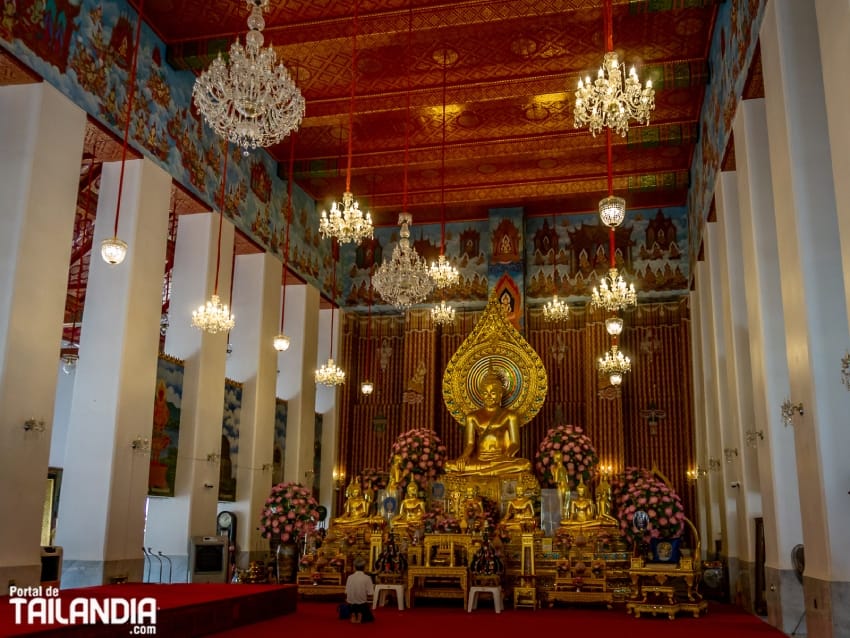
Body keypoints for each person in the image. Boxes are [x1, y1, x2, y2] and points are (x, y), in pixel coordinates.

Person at [444, 365, 531, 477]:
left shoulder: (510, 416)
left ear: (500, 394)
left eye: (493, 393)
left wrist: (506, 457)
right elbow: (470, 444)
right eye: (485, 393)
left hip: (501, 461)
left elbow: (515, 443)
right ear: (481, 395)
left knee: (525, 464)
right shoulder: (472, 417)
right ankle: (486, 471)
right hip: (479, 460)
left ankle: (481, 473)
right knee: (448, 466)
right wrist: (464, 457)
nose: (489, 396)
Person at [344, 557, 374, 624]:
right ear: (364, 567)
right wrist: (371, 605)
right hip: (362, 604)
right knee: (370, 618)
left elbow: (346, 592)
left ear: (354, 567)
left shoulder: (350, 577)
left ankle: (353, 613)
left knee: (352, 601)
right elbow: (370, 594)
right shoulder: (367, 578)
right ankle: (360, 614)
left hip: (351, 604)